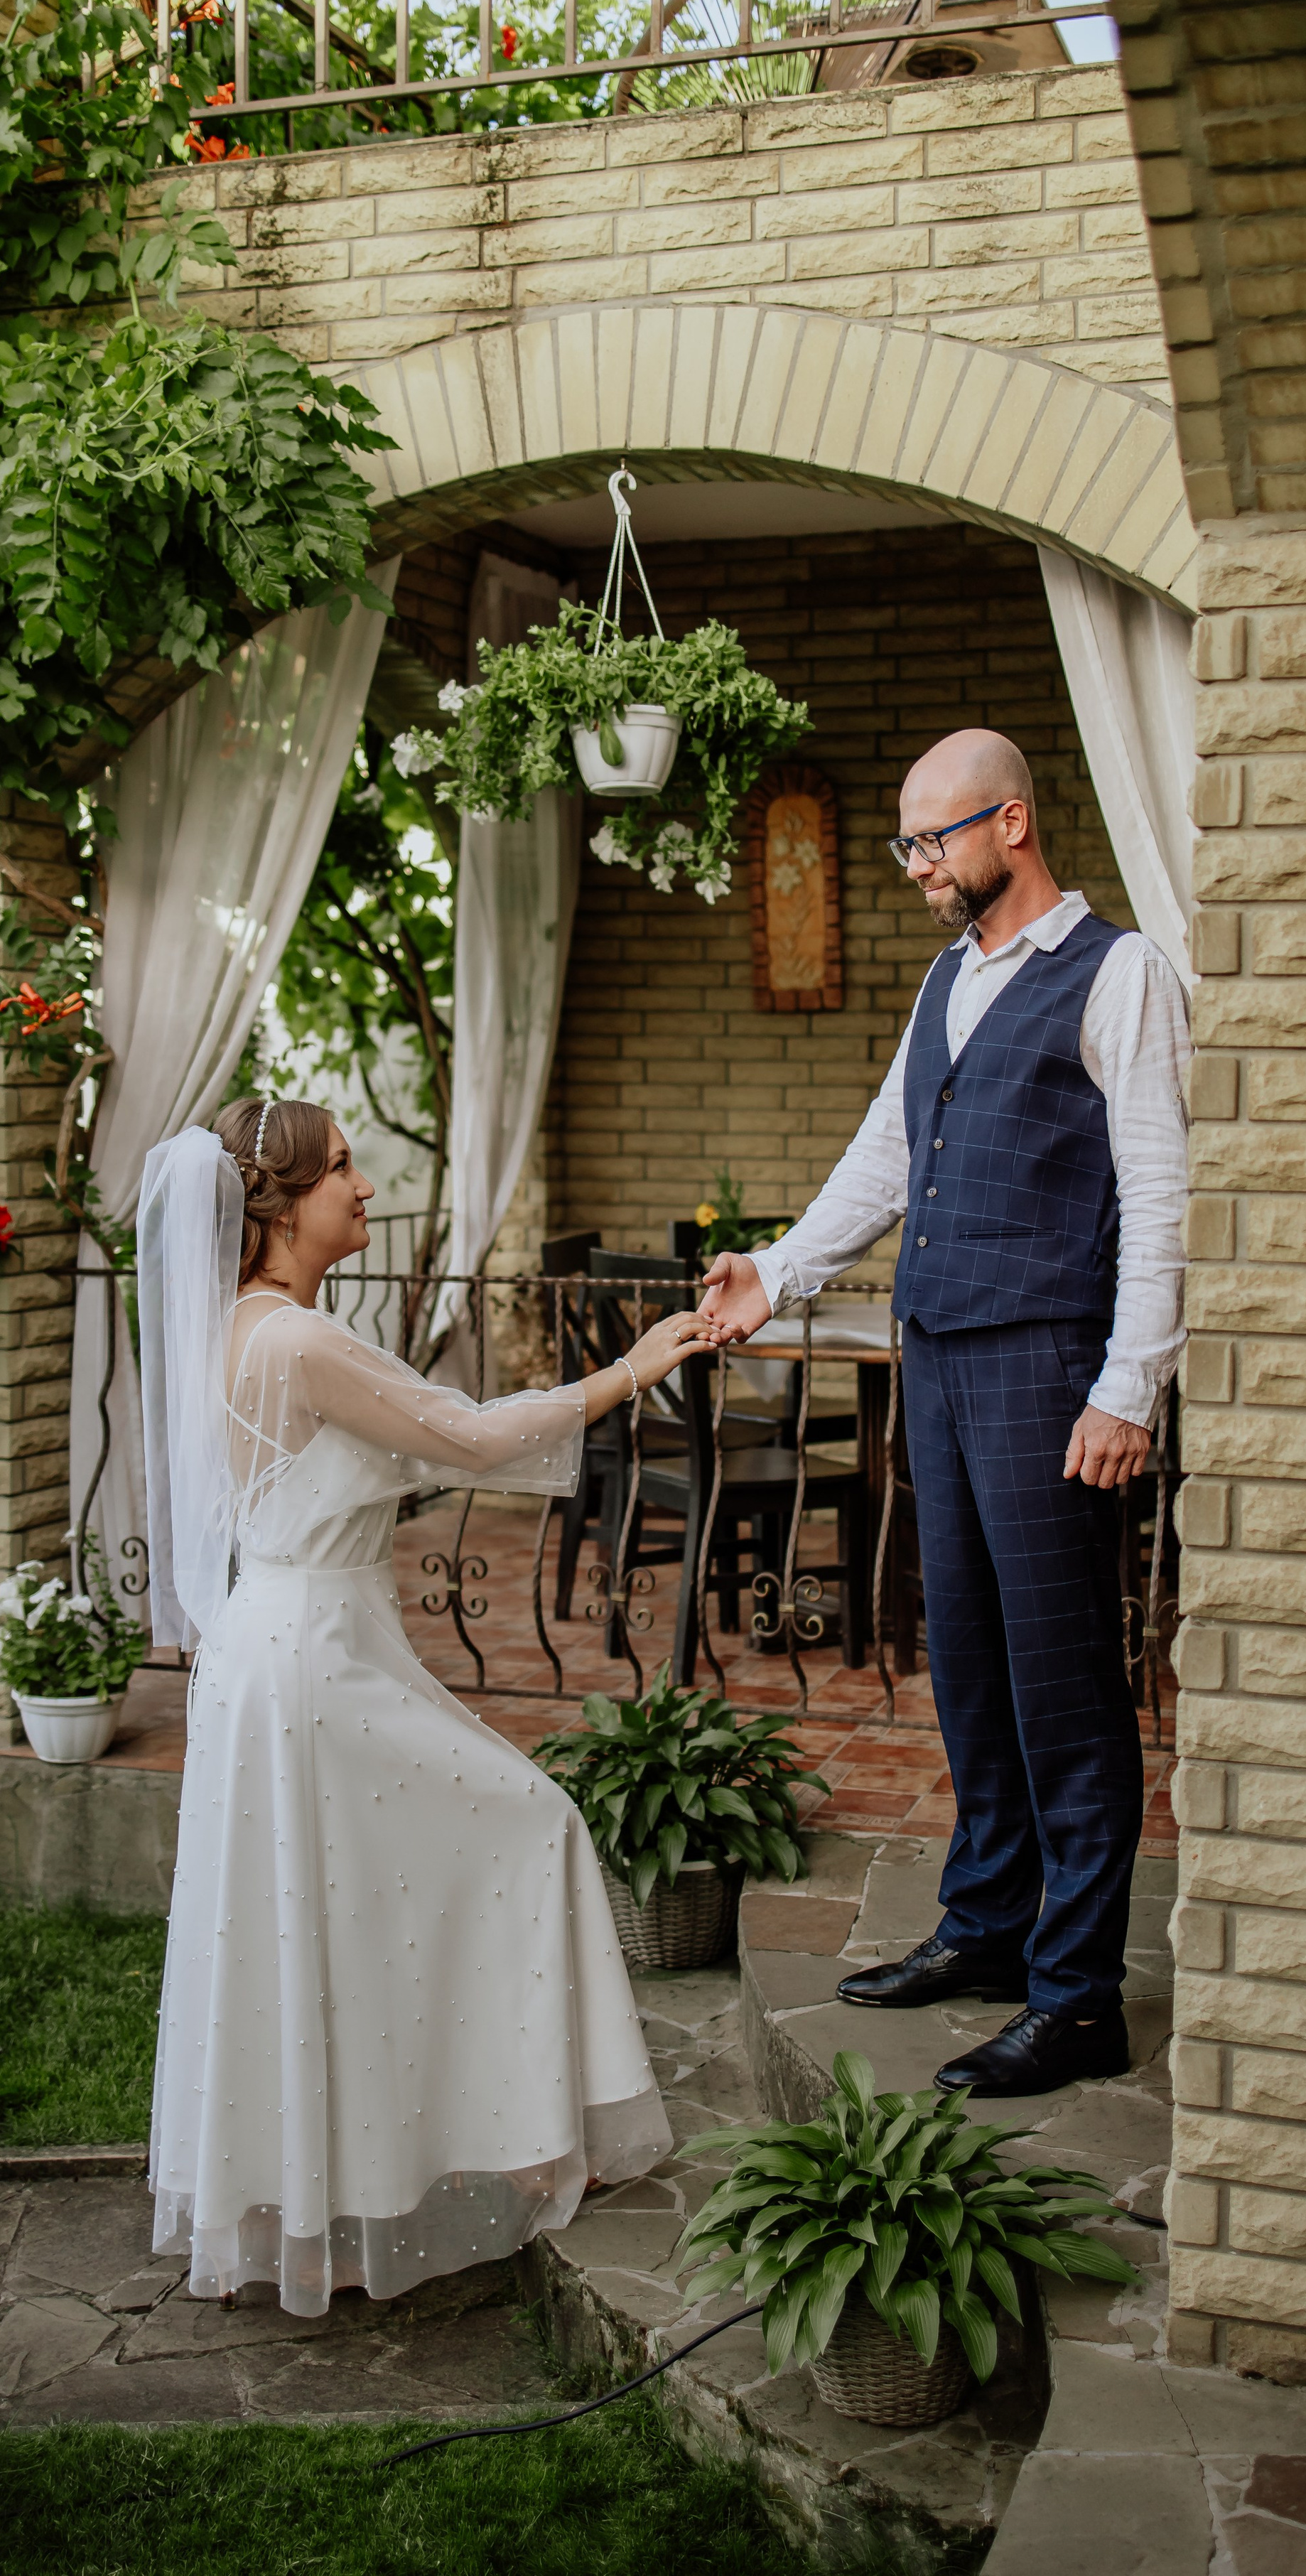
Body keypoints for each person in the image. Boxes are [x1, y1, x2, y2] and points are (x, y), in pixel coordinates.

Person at [139, 1096, 717, 2315]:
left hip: (275, 1652)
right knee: (532, 1823)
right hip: (316, 1663)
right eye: (342, 1169)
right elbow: (471, 1438)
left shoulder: (241, 1332)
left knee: (326, 1918)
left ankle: (352, 2181)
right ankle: (529, 2141)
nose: (362, 1185)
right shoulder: (299, 1345)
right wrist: (632, 1369)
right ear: (280, 1206)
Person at [700, 730, 1188, 2098]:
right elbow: (889, 1154)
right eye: (907, 844)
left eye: (933, 840)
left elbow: (1160, 1190)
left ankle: (1081, 1992)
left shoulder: (1121, 972)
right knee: (968, 1662)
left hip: (1050, 1367)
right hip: (944, 1360)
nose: (916, 865)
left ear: (1012, 824)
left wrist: (1128, 1382)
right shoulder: (947, 980)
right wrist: (780, 1268)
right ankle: (986, 1929)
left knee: (1066, 1684)